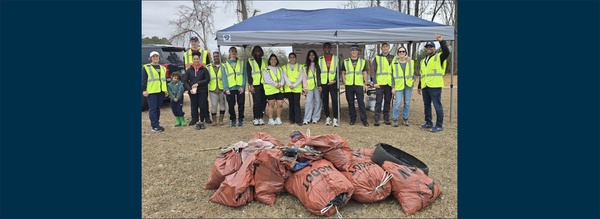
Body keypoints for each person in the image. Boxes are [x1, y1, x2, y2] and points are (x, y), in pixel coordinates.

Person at [417, 34, 450, 133]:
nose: (428, 48)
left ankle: (439, 125)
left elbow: (447, 52)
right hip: (425, 86)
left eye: (431, 47)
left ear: (434, 49)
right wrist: (419, 86)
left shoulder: (439, 57)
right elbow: (422, 75)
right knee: (427, 105)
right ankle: (428, 122)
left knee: (437, 105)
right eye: (427, 47)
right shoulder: (422, 61)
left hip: (435, 85)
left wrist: (441, 41)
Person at [184, 36, 212, 124]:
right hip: (191, 82)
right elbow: (184, 67)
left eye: (195, 41)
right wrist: (189, 88)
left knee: (204, 103)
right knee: (193, 104)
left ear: (198, 42)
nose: (193, 43)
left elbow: (208, 66)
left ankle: (206, 117)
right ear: (190, 42)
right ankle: (194, 118)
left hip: (202, 83)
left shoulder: (205, 53)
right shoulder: (186, 54)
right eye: (192, 41)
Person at [341, 45, 369, 127]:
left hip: (359, 85)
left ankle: (364, 120)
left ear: (358, 52)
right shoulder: (346, 61)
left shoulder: (362, 61)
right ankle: (352, 119)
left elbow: (364, 73)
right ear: (350, 52)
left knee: (361, 103)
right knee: (350, 103)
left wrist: (366, 84)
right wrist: (344, 82)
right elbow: (343, 73)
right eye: (352, 50)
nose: (354, 52)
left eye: (356, 50)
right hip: (349, 85)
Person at [142, 51, 169, 132]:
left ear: (159, 58)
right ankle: (154, 126)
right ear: (151, 58)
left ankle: (157, 123)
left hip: (161, 91)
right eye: (153, 57)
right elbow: (143, 79)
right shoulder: (146, 67)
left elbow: (164, 80)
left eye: (156, 56)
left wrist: (166, 90)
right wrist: (144, 90)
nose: (155, 58)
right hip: (151, 91)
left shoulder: (163, 68)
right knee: (153, 108)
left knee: (157, 108)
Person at [183, 52, 210, 130]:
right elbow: (185, 81)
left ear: (199, 60)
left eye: (197, 59)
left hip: (202, 91)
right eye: (194, 59)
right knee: (194, 107)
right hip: (193, 92)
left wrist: (198, 83)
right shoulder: (189, 70)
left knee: (202, 106)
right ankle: (197, 122)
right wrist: (189, 89)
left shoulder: (204, 69)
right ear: (192, 60)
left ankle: (202, 121)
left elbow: (207, 79)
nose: (196, 60)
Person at [222, 47, 246, 127]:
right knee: (231, 104)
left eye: (235, 51)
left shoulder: (241, 63)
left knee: (241, 104)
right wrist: (227, 88)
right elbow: (224, 77)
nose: (233, 52)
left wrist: (243, 86)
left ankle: (240, 119)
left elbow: (244, 75)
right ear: (229, 52)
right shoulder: (225, 64)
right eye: (232, 51)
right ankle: (233, 119)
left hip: (240, 88)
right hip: (230, 88)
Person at [391, 46, 414, 127]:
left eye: (403, 51)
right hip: (398, 86)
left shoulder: (410, 62)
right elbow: (392, 76)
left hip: (408, 86)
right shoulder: (394, 63)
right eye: (400, 51)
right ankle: (394, 119)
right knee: (398, 103)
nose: (401, 53)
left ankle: (405, 119)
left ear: (405, 53)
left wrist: (413, 79)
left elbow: (413, 72)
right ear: (398, 53)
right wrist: (393, 87)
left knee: (407, 103)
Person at [372, 42, 394, 126]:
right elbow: (373, 70)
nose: (385, 48)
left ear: (389, 47)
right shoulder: (377, 58)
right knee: (378, 101)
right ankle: (376, 119)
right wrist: (375, 82)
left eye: (386, 46)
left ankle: (386, 118)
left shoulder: (393, 58)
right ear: (381, 48)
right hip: (380, 84)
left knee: (387, 101)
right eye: (383, 47)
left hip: (389, 84)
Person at [318, 42, 340, 127]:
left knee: (335, 100)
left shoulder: (335, 58)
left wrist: (336, 80)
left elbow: (338, 71)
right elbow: (318, 73)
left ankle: (335, 118)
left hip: (333, 83)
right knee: (325, 101)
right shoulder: (320, 59)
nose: (327, 49)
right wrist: (319, 84)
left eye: (328, 47)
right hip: (324, 84)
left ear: (330, 48)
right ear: (323, 49)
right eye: (325, 47)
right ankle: (327, 117)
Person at [282, 52, 307, 126]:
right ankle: (292, 119)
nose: (292, 59)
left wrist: (294, 85)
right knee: (291, 104)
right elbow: (285, 76)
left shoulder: (300, 66)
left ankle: (298, 120)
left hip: (296, 88)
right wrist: (289, 85)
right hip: (289, 88)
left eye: (293, 57)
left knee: (296, 104)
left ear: (296, 58)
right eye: (290, 57)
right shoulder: (285, 67)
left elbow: (300, 77)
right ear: (289, 58)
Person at [246, 46, 268, 126]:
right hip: (255, 85)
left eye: (259, 50)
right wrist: (251, 85)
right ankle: (256, 118)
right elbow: (249, 74)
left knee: (263, 101)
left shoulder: (265, 61)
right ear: (253, 52)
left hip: (264, 84)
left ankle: (261, 117)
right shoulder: (250, 61)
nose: (257, 51)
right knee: (257, 102)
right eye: (256, 50)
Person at [263, 54, 285, 125]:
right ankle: (270, 119)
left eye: (275, 59)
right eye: (272, 59)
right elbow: (267, 79)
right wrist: (275, 85)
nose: (273, 61)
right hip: (271, 90)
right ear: (269, 61)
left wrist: (281, 84)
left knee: (280, 104)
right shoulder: (266, 70)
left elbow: (282, 78)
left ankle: (278, 118)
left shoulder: (279, 69)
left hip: (279, 90)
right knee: (271, 105)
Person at [302, 50, 322, 125]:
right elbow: (304, 78)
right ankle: (307, 119)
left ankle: (315, 118)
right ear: (308, 56)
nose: (312, 56)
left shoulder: (318, 65)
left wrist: (320, 85)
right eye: (310, 55)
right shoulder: (305, 66)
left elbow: (320, 76)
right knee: (309, 102)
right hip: (309, 87)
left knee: (318, 102)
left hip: (317, 86)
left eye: (313, 55)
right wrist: (305, 88)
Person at [207, 51, 226, 126]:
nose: (216, 58)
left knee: (222, 104)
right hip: (213, 89)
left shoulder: (224, 66)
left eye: (217, 56)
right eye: (214, 56)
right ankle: (214, 120)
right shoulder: (208, 67)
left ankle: (221, 120)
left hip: (222, 88)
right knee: (214, 105)